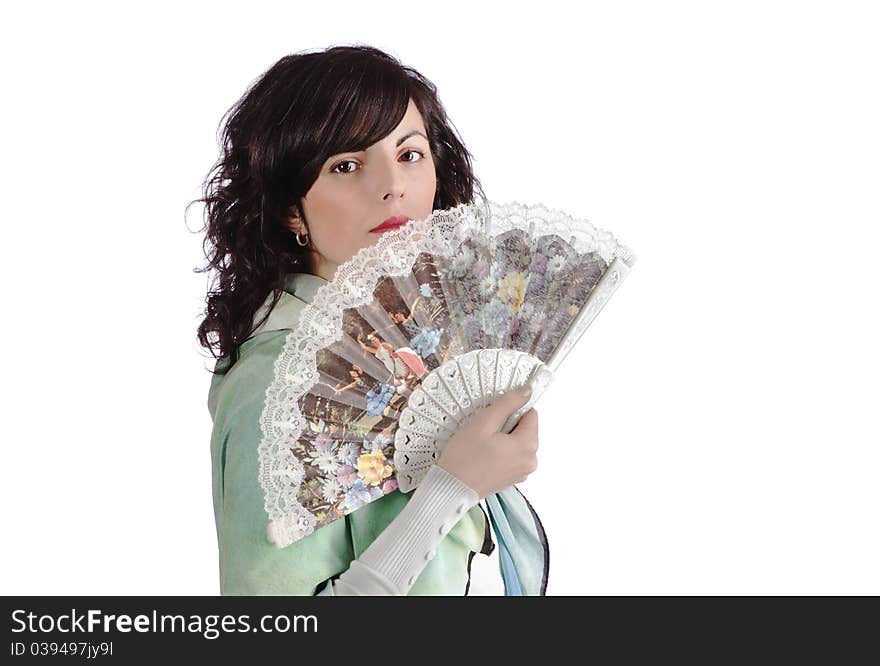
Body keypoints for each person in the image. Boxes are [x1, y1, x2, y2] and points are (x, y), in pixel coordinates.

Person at [193, 44, 549, 595]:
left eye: (409, 154)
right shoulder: (279, 381)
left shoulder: (417, 348)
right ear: (292, 210)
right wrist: (451, 486)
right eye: (346, 165)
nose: (392, 187)